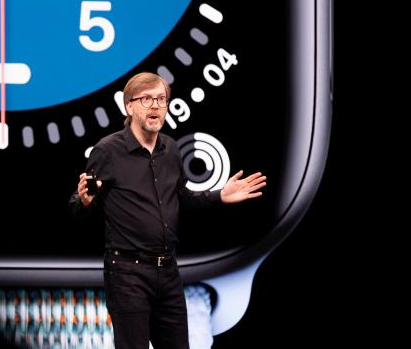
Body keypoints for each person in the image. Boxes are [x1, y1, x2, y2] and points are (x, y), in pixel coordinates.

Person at [69, 72, 266, 349]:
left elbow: (181, 197)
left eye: (161, 99)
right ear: (129, 107)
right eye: (147, 99)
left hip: (168, 272)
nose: (155, 107)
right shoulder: (108, 151)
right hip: (127, 273)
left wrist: (220, 195)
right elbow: (77, 206)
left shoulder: (171, 148)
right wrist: (84, 201)